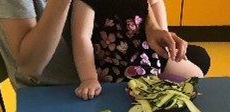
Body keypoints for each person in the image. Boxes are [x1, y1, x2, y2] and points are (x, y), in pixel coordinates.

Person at [0, 0, 210, 88]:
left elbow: (149, 2)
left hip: (108, 54)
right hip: (59, 85)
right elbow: (30, 68)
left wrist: (154, 29)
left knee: (198, 59)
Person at [70, 0, 203, 100]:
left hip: (149, 56)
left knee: (197, 78)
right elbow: (81, 37)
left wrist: (163, 33)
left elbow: (156, 2)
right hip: (113, 66)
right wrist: (88, 79)